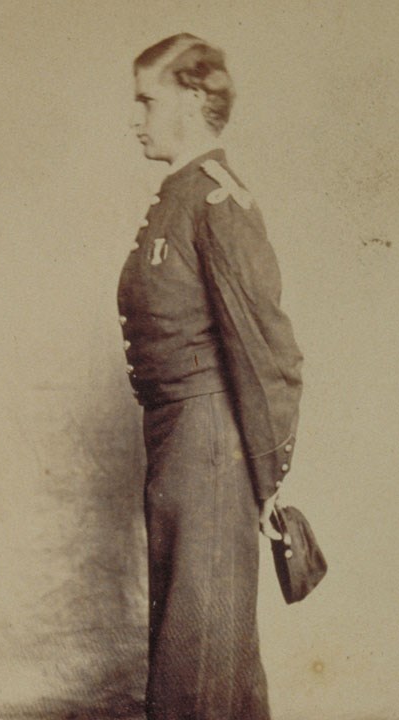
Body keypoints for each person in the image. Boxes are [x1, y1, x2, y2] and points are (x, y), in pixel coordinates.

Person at [117, 33, 303, 720]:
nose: (134, 120)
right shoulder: (177, 200)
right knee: (204, 647)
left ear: (192, 99)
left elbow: (268, 350)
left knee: (198, 656)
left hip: (213, 448)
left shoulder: (217, 202)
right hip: (177, 441)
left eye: (146, 101)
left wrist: (266, 475)